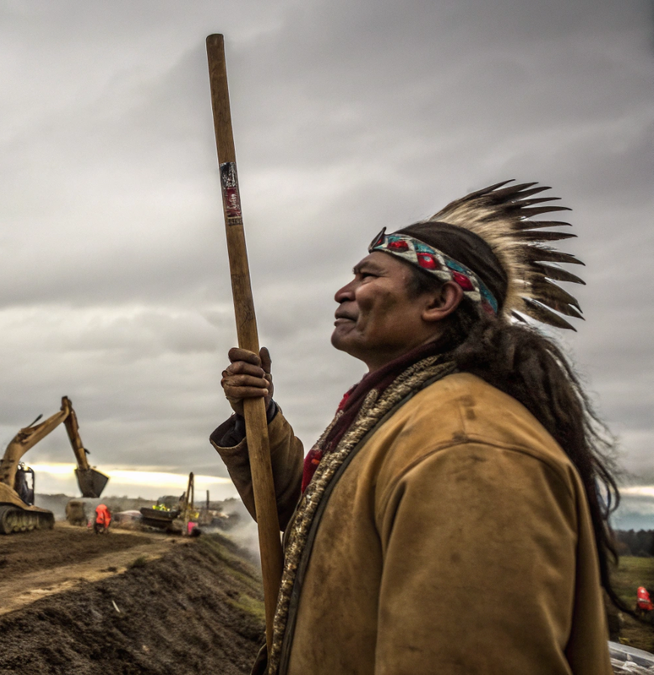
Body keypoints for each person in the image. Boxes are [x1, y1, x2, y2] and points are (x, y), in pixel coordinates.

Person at [214, 181, 617, 674]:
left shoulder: (467, 448)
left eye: (367, 275)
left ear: (439, 300)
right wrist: (258, 417)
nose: (343, 291)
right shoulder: (403, 413)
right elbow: (312, 521)